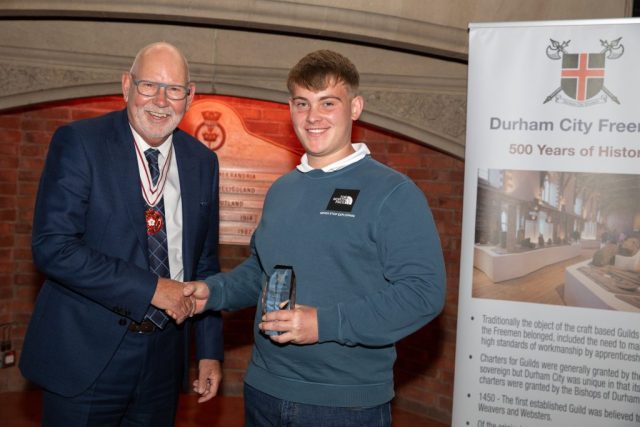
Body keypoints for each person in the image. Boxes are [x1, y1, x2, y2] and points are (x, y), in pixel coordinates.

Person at [177, 49, 446, 426]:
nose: (313, 116)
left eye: (328, 103)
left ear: (355, 108)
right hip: (264, 391)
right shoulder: (282, 189)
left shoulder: (393, 193)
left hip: (344, 405)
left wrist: (323, 324)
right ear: (291, 109)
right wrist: (213, 292)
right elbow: (263, 272)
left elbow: (423, 293)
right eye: (302, 103)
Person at [20, 42, 223, 426]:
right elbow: (54, 247)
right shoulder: (81, 143)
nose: (160, 101)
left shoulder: (203, 162)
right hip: (86, 354)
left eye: (174, 89)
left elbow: (205, 262)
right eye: (149, 85)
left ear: (190, 95)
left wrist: (210, 350)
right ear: (127, 85)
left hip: (165, 358)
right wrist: (152, 289)